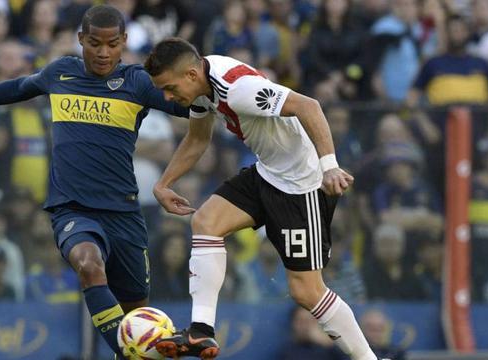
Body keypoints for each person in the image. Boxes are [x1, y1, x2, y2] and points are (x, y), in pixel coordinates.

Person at [0, 5, 188, 357]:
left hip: (124, 214)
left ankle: (129, 352)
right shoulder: (60, 73)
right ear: (81, 40)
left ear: (124, 42)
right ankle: (129, 354)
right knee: (89, 265)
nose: (103, 52)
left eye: (112, 44)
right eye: (94, 43)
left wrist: (232, 98)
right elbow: (17, 87)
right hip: (73, 209)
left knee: (137, 315)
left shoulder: (137, 82)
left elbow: (185, 103)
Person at [144, 38, 382, 360]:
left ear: (189, 74)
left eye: (169, 88)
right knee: (206, 221)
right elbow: (199, 137)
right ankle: (201, 331)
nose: (167, 97)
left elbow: (308, 106)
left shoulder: (238, 89)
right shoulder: (202, 86)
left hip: (301, 186)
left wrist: (330, 167)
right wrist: (164, 183)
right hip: (268, 172)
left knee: (306, 291)